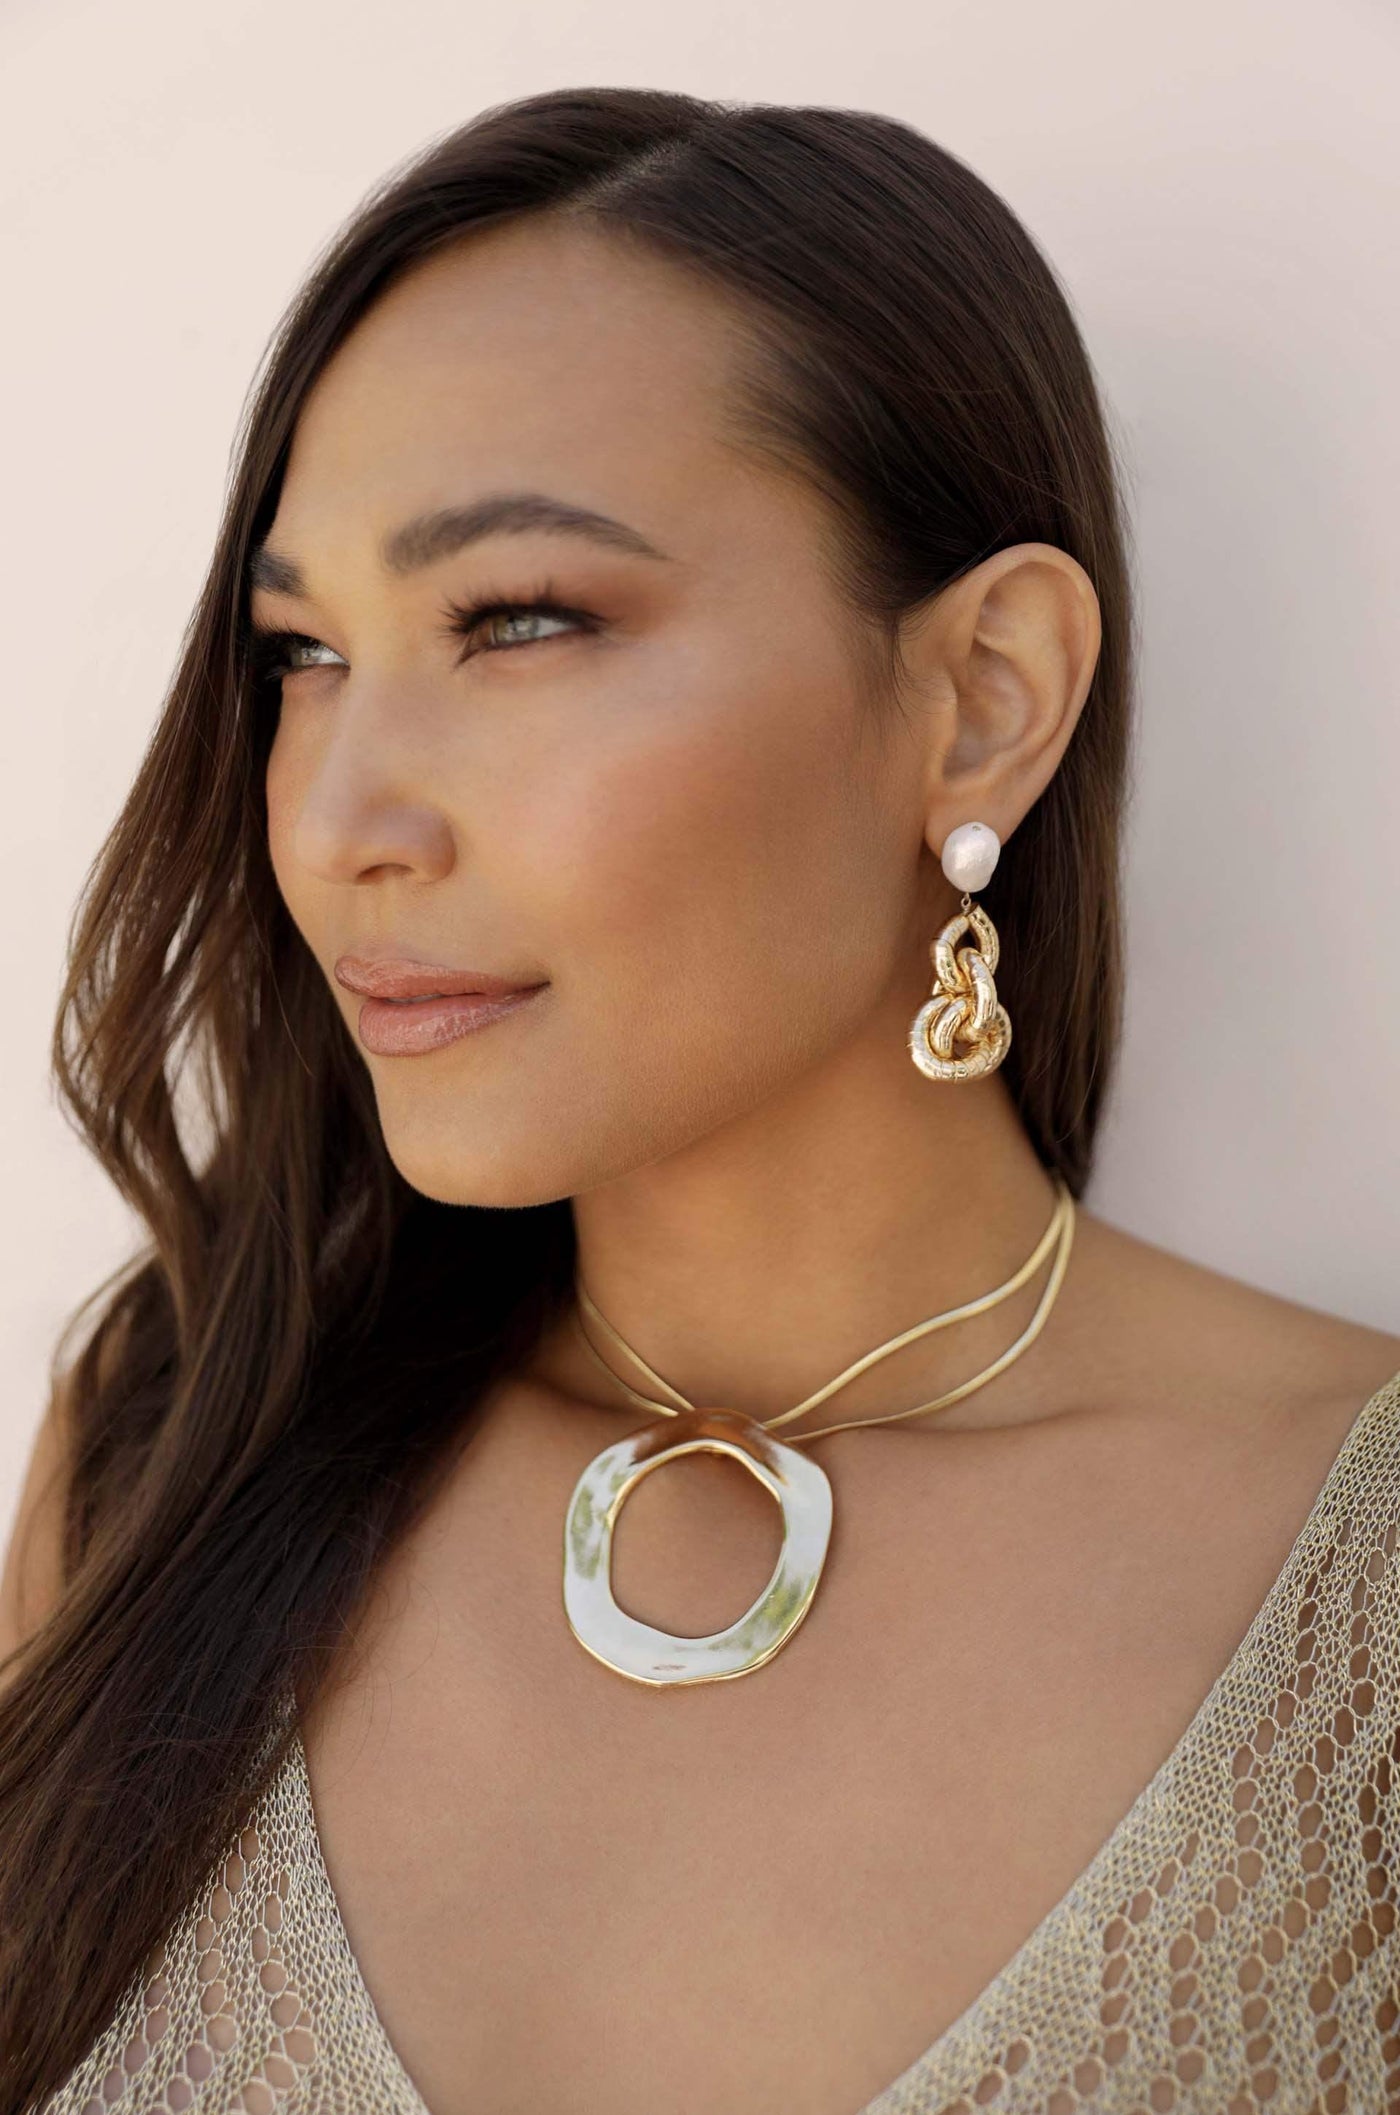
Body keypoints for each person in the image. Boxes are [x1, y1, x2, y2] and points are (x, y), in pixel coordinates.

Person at [2, 83, 1397, 2115]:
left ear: (984, 690)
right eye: (301, 652)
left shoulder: (1358, 1602)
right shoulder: (177, 1446)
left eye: (519, 621)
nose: (340, 819)